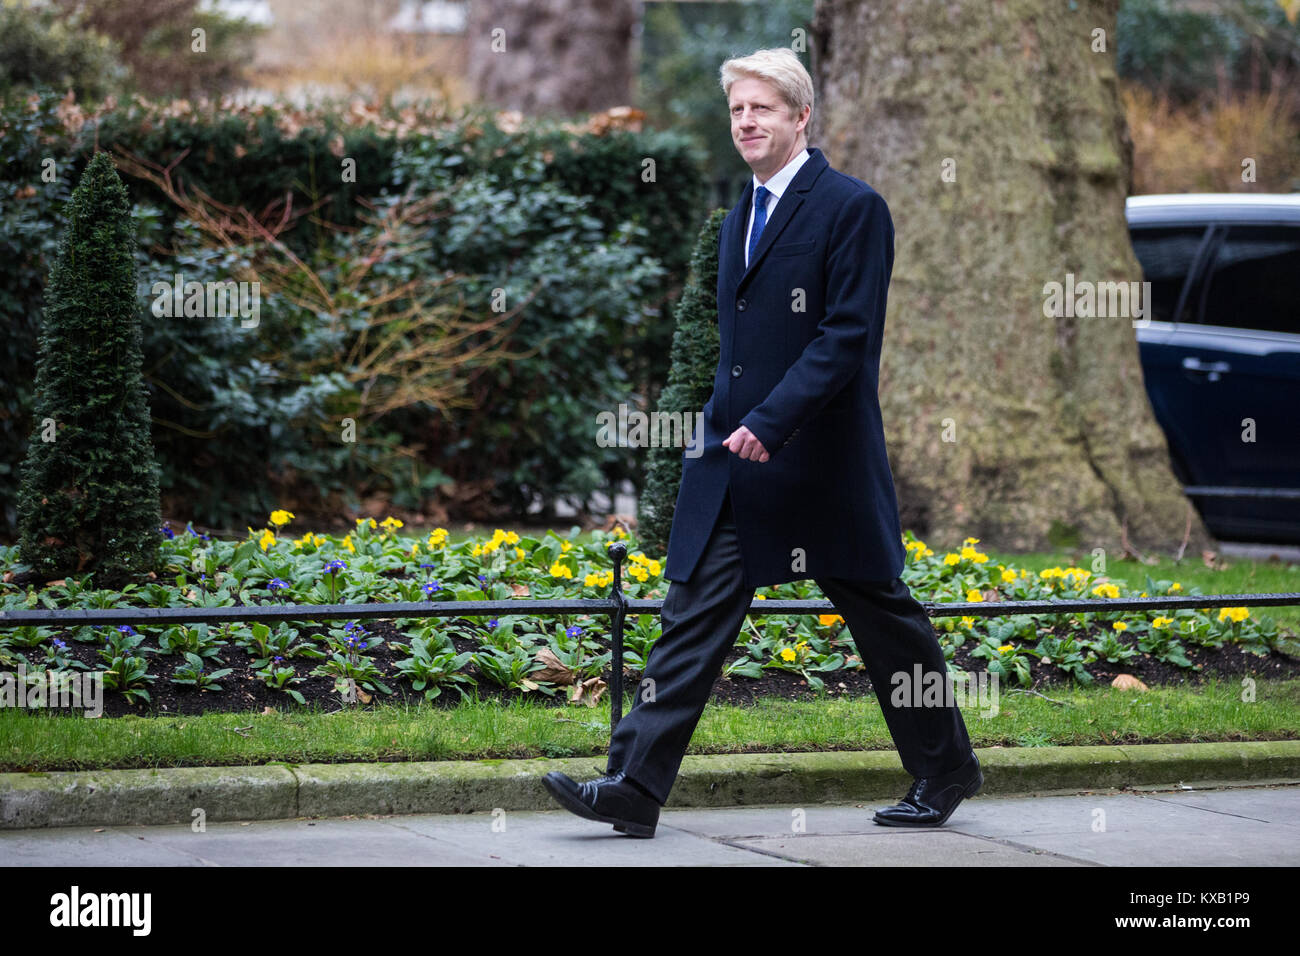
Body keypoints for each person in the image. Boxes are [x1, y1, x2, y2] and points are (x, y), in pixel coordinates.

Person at [543, 47, 980, 838]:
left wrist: (770, 422)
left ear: (800, 116)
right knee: (691, 615)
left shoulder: (853, 208)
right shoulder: (738, 215)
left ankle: (946, 768)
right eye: (738, 109)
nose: (746, 121)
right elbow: (735, 347)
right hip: (738, 469)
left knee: (885, 619)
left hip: (823, 468)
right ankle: (634, 786)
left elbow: (848, 337)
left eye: (763, 109)